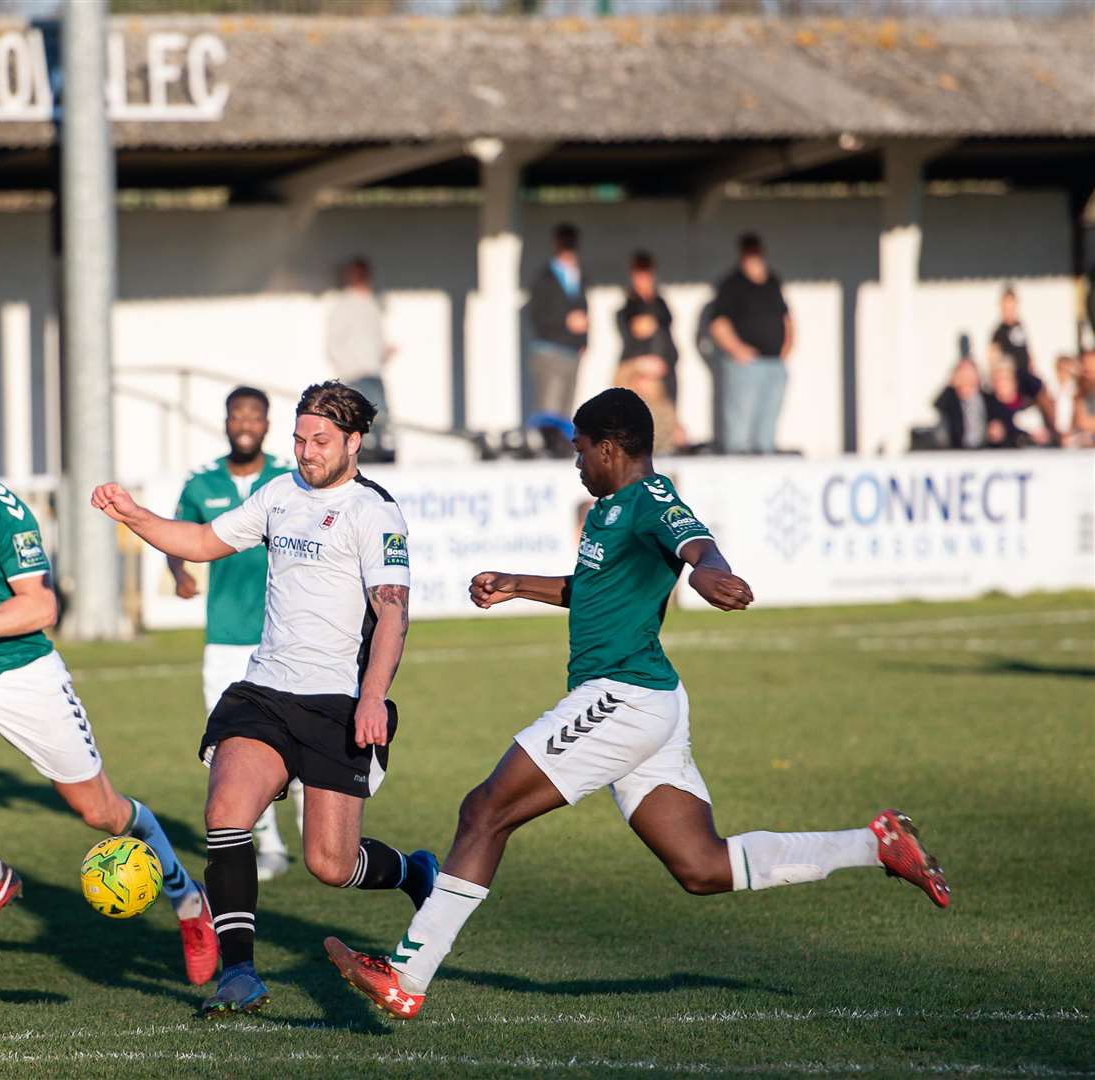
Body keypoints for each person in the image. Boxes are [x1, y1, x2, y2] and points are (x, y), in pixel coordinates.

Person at [324, 387, 950, 1021]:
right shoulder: (608, 509)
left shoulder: (652, 501)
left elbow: (699, 548)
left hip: (623, 697)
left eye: (579, 451)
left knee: (485, 810)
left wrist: (707, 576)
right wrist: (517, 584)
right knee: (702, 866)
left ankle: (407, 973)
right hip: (650, 700)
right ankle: (874, 844)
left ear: (610, 448)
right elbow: (593, 591)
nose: (575, 464)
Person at [92, 381, 437, 1018]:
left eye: (320, 441)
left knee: (330, 864)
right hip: (265, 691)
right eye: (300, 439)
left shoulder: (374, 512)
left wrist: (372, 699)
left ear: (354, 443)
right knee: (226, 813)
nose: (306, 452)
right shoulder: (279, 494)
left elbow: (392, 614)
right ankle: (240, 973)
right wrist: (134, 515)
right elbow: (201, 542)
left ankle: (416, 874)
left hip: (336, 702)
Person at [0, 405, 217, 985]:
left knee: (101, 813)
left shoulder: (3, 515)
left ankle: (189, 902)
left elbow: (43, 606)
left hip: (27, 678)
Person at [168, 386, 298, 881]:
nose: (245, 423)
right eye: (236, 415)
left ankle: (310, 814)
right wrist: (178, 571)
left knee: (296, 737)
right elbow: (178, 534)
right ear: (225, 422)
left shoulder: (287, 479)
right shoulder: (201, 483)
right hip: (223, 638)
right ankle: (268, 844)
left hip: (282, 634)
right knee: (232, 748)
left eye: (255, 416)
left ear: (267, 423)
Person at [709, 233, 792, 454]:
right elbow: (718, 323)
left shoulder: (772, 280)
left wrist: (786, 347)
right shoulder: (731, 284)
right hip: (745, 366)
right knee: (740, 430)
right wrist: (738, 350)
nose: (753, 257)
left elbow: (786, 316)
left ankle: (765, 465)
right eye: (749, 252)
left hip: (774, 364)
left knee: (767, 429)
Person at [614, 251, 684, 454]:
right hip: (640, 380)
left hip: (664, 380)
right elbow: (639, 328)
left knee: (665, 435)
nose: (644, 279)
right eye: (639, 273)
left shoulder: (660, 304)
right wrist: (642, 366)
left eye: (647, 273)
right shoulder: (630, 306)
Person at [324, 257, 394, 454]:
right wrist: (348, 369)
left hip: (373, 373)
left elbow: (373, 340)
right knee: (361, 420)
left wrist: (383, 353)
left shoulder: (372, 303)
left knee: (382, 420)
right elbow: (333, 343)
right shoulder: (345, 305)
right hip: (356, 375)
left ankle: (383, 455)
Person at [524, 223, 588, 422]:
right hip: (550, 350)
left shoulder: (577, 276)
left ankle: (559, 449)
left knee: (565, 412)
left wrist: (583, 342)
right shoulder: (545, 278)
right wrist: (566, 320)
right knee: (548, 411)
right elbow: (536, 314)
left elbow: (583, 312)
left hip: (571, 351)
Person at [990, 286, 1059, 441]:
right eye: (1006, 306)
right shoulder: (999, 331)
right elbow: (993, 356)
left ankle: (1052, 429)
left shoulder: (1019, 326)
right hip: (1013, 376)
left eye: (1012, 306)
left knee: (1043, 393)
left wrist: (1032, 368)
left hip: (1024, 374)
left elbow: (1027, 351)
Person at [932, 357, 1011, 451]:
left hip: (985, 452)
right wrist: (950, 384)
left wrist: (999, 431)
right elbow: (937, 405)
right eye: (963, 374)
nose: (967, 378)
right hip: (957, 452)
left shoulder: (990, 399)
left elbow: (1004, 423)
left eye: (970, 373)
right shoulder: (950, 400)